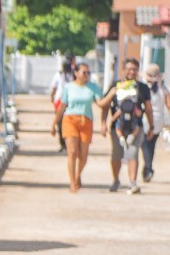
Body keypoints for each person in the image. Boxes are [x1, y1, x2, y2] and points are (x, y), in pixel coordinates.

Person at [98, 57, 155, 194]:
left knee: (133, 153)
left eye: (135, 69)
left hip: (136, 126)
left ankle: (132, 182)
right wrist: (103, 123)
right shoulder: (115, 85)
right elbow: (105, 106)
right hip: (117, 126)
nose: (132, 72)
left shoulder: (142, 88)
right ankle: (116, 180)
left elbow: (148, 108)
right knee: (116, 155)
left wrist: (151, 126)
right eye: (129, 69)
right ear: (123, 70)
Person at [50, 62, 101, 192]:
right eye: (84, 72)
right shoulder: (69, 87)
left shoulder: (93, 87)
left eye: (88, 72)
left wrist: (111, 94)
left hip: (86, 120)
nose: (86, 75)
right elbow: (62, 106)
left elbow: (100, 103)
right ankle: (72, 182)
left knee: (83, 155)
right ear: (76, 73)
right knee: (72, 152)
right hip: (70, 120)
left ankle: (78, 175)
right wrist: (54, 123)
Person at [141, 64, 170, 182]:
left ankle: (148, 169)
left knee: (145, 145)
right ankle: (147, 169)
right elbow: (169, 105)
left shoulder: (143, 87)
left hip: (145, 120)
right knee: (151, 145)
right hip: (159, 120)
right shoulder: (163, 88)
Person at [49, 55, 77, 153]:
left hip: (68, 100)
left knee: (66, 123)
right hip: (62, 100)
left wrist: (52, 97)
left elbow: (53, 88)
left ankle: (67, 143)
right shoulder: (60, 75)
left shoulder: (72, 75)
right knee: (61, 123)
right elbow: (54, 88)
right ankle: (64, 144)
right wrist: (52, 97)